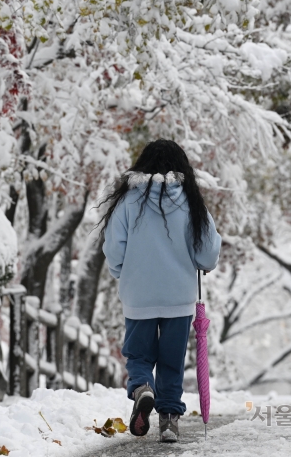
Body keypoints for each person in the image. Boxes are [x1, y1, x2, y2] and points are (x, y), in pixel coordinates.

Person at [100, 139, 222, 443]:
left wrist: (122, 272)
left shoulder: (128, 201)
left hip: (138, 296)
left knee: (138, 355)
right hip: (178, 298)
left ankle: (142, 387)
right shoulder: (190, 201)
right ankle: (169, 420)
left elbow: (115, 248)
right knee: (171, 361)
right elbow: (208, 251)